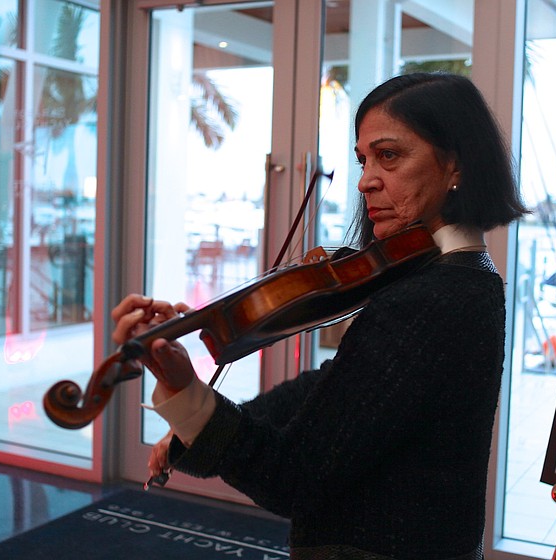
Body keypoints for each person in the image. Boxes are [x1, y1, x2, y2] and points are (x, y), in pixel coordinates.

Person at [111, 72, 528, 560]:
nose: (366, 179)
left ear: (454, 161)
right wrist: (202, 415)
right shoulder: (464, 276)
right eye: (364, 159)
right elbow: (337, 387)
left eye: (389, 156)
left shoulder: (432, 299)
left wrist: (192, 402)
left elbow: (293, 479)